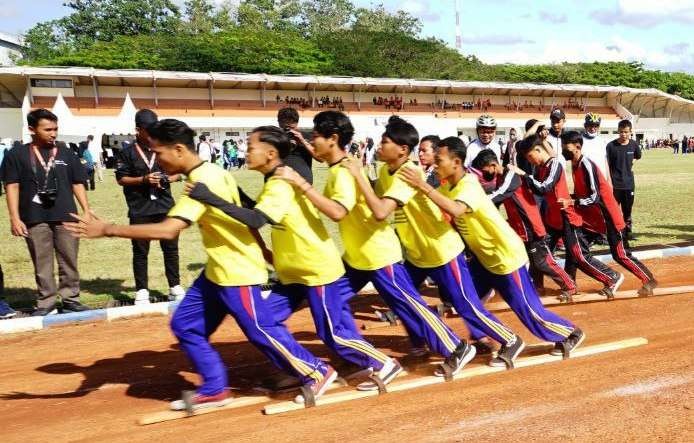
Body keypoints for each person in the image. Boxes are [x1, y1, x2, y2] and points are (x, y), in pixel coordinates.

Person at [66, 118, 337, 411]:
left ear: (179, 149)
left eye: (159, 152)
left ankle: (316, 370)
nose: (157, 159)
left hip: (237, 271)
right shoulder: (211, 172)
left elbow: (169, 230)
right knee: (186, 325)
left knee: (262, 329)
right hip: (216, 271)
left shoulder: (203, 180)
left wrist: (107, 229)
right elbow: (244, 210)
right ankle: (215, 388)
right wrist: (262, 248)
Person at [185, 125, 402, 396]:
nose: (245, 151)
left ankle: (383, 363)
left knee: (332, 333)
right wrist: (232, 192)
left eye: (250, 147)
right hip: (292, 272)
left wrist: (211, 198)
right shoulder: (274, 180)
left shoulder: (280, 183)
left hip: (315, 269)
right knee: (265, 322)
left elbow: (255, 219)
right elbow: (257, 209)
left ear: (270, 153)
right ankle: (297, 369)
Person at [277, 111, 470, 379]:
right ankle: (360, 354)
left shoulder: (352, 172)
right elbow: (325, 156)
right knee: (336, 302)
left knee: (409, 305)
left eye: (316, 137)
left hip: (379, 253)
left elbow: (358, 212)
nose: (313, 143)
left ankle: (456, 347)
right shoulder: (347, 166)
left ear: (333, 139)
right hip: (358, 257)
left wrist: (309, 183)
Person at [341, 116, 524, 368]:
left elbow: (382, 209)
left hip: (442, 251)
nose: (379, 147)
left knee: (465, 305)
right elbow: (376, 193)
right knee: (404, 301)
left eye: (384, 142)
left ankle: (509, 339)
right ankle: (421, 341)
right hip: (417, 254)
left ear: (402, 150)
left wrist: (358, 174)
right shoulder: (385, 171)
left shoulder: (410, 172)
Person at [401, 138, 584, 357]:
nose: (435, 164)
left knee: (528, 311)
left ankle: (570, 333)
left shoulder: (467, 184)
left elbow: (456, 210)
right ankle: (484, 338)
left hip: (505, 257)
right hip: (482, 259)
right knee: (467, 303)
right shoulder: (447, 186)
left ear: (456, 162)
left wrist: (422, 185)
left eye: (439, 160)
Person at [0, 109, 92, 316]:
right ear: (32, 129)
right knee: (42, 262)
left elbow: (77, 182)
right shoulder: (16, 154)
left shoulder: (66, 153)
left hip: (67, 216)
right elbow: (12, 186)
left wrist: (86, 210)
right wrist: (14, 217)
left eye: (55, 129)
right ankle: (46, 302)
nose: (53, 134)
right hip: (34, 217)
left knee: (69, 259)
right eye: (48, 129)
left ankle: (71, 299)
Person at [512, 136, 624, 299]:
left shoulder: (555, 165)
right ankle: (538, 287)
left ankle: (611, 277)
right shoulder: (541, 168)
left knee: (578, 256)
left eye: (530, 157)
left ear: (538, 150)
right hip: (553, 217)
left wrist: (524, 175)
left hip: (567, 216)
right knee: (540, 255)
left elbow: (544, 188)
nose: (530, 161)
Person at [472, 149, 577, 302]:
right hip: (520, 229)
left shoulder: (510, 176)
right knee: (528, 260)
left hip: (531, 227)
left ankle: (569, 285)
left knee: (542, 261)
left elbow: (498, 195)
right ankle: (536, 288)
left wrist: (473, 203)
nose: (483, 174)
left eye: (484, 170)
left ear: (492, 165)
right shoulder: (501, 178)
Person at [561, 131, 657, 296]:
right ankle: (570, 285)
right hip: (594, 219)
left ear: (577, 147)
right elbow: (584, 194)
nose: (563, 150)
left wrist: (573, 202)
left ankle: (647, 279)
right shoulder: (575, 165)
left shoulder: (586, 165)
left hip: (609, 215)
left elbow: (594, 196)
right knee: (574, 250)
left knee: (620, 254)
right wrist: (569, 197)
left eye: (566, 147)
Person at [115, 109, 185, 305]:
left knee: (171, 248)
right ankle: (142, 290)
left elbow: (179, 173)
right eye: (149, 130)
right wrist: (144, 179)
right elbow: (122, 179)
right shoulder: (127, 152)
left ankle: (175, 286)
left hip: (165, 205)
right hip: (140, 208)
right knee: (140, 251)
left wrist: (166, 178)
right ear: (138, 130)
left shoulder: (165, 148)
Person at [606, 120, 641, 240]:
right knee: (613, 210)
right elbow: (607, 164)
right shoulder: (611, 146)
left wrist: (631, 163)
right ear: (618, 131)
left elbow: (638, 156)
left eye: (626, 132)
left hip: (629, 184)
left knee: (627, 210)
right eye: (621, 132)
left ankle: (627, 232)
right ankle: (614, 232)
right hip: (615, 184)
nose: (623, 134)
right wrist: (609, 181)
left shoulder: (634, 145)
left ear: (630, 132)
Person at [277, 107, 317, 184]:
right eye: (285, 128)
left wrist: (302, 141)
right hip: (282, 182)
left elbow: (319, 158)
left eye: (291, 127)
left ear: (297, 123)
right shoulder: (275, 137)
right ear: (279, 123)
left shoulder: (307, 136)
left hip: (304, 182)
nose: (288, 130)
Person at [581, 113, 609, 178]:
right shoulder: (580, 141)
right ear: (585, 126)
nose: (593, 128)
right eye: (590, 125)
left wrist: (609, 179)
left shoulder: (603, 142)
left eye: (596, 126)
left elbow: (606, 162)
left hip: (601, 178)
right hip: (585, 178)